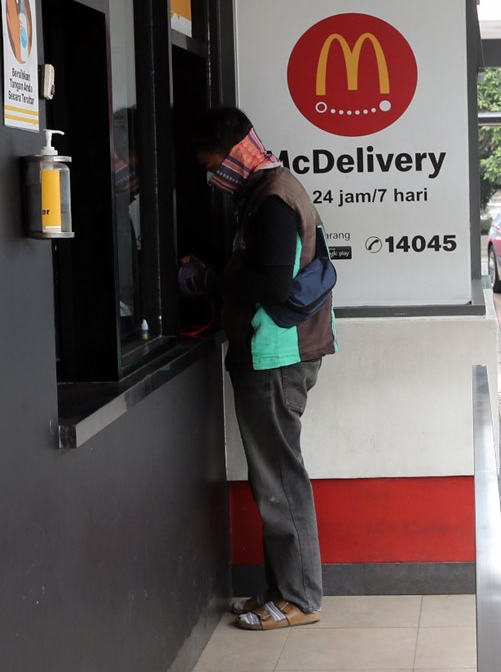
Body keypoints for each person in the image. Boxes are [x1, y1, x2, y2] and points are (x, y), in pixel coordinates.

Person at [178, 107, 336, 631]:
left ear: (232, 152)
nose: (209, 173)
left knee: (279, 477)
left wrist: (207, 283)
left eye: (211, 161)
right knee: (272, 476)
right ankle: (281, 589)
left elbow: (270, 286)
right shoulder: (269, 189)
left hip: (275, 357)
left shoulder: (271, 201)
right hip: (274, 354)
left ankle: (299, 599)